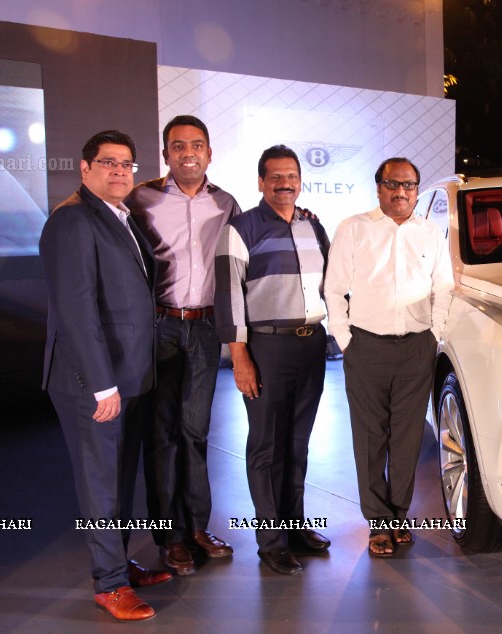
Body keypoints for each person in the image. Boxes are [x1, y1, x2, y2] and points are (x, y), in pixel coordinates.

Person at [40, 130, 171, 621]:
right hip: (93, 380)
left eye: (126, 164)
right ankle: (109, 583)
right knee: (100, 480)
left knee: (118, 475)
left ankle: (119, 562)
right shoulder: (72, 220)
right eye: (109, 163)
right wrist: (102, 384)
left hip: (130, 374)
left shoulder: (124, 218)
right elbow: (76, 310)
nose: (119, 172)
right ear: (85, 167)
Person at [126, 115, 239, 576]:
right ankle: (169, 537)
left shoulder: (226, 203)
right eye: (178, 146)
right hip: (160, 327)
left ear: (209, 153)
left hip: (206, 329)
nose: (187, 152)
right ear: (166, 153)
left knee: (196, 433)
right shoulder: (141, 199)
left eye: (196, 145)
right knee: (162, 436)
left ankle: (196, 528)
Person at [324, 157, 454, 558]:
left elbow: (443, 287)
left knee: (408, 437)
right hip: (366, 347)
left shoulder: (431, 233)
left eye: (409, 185)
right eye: (393, 184)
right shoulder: (354, 228)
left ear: (417, 190)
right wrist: (346, 341)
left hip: (416, 347)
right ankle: (377, 522)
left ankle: (398, 517)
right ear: (378, 187)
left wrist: (433, 334)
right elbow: (334, 289)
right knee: (369, 437)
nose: (401, 192)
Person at [214, 144, 332, 575]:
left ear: (300, 180)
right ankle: (271, 541)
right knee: (266, 445)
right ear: (261, 182)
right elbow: (227, 297)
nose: (285, 183)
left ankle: (296, 527)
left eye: (292, 176)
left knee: (297, 442)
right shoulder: (241, 228)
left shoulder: (313, 226)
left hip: (311, 344)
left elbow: (331, 284)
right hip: (266, 347)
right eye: (276, 177)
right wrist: (240, 357)